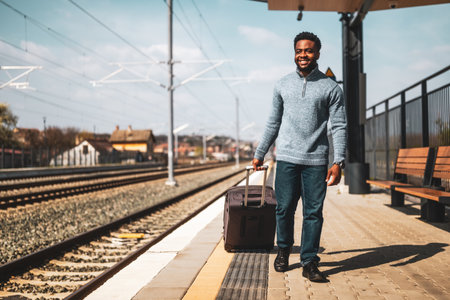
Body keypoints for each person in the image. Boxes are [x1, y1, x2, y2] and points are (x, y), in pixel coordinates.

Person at [252, 32, 347, 282]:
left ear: (317, 53)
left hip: (316, 161)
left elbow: (338, 126)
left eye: (308, 51)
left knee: (313, 213)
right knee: (283, 209)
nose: (302, 55)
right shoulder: (282, 84)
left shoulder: (330, 88)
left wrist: (338, 162)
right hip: (286, 159)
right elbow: (273, 122)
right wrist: (259, 153)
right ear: (294, 53)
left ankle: (309, 261)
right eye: (299, 51)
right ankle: (283, 251)